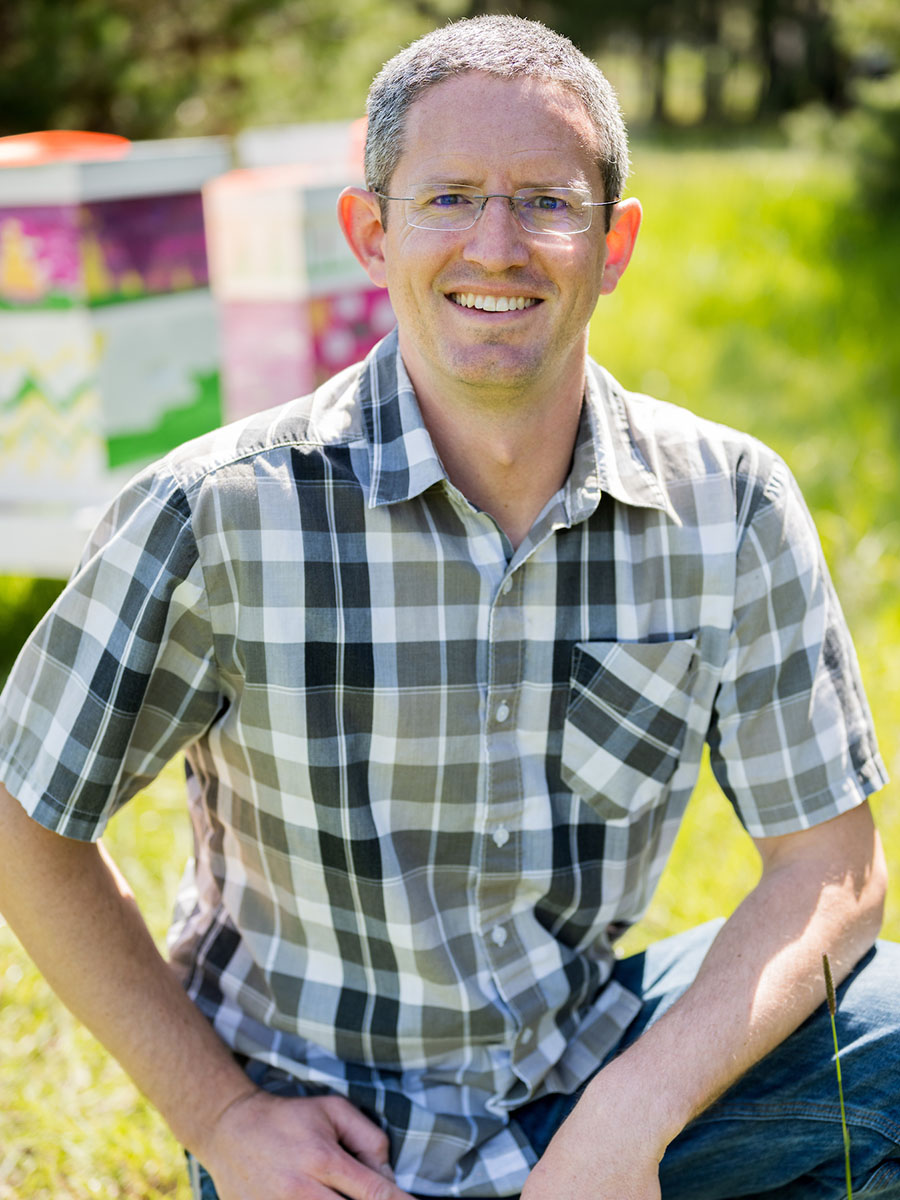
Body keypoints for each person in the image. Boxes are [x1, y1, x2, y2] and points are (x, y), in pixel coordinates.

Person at [0, 14, 897, 1200]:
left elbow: (829, 870)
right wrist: (221, 1118)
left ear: (615, 242)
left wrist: (631, 1115)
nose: (497, 245)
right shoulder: (216, 513)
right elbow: (26, 819)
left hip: (581, 1074)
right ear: (369, 232)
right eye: (446, 200)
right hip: (326, 1145)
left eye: (547, 201)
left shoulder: (728, 503)